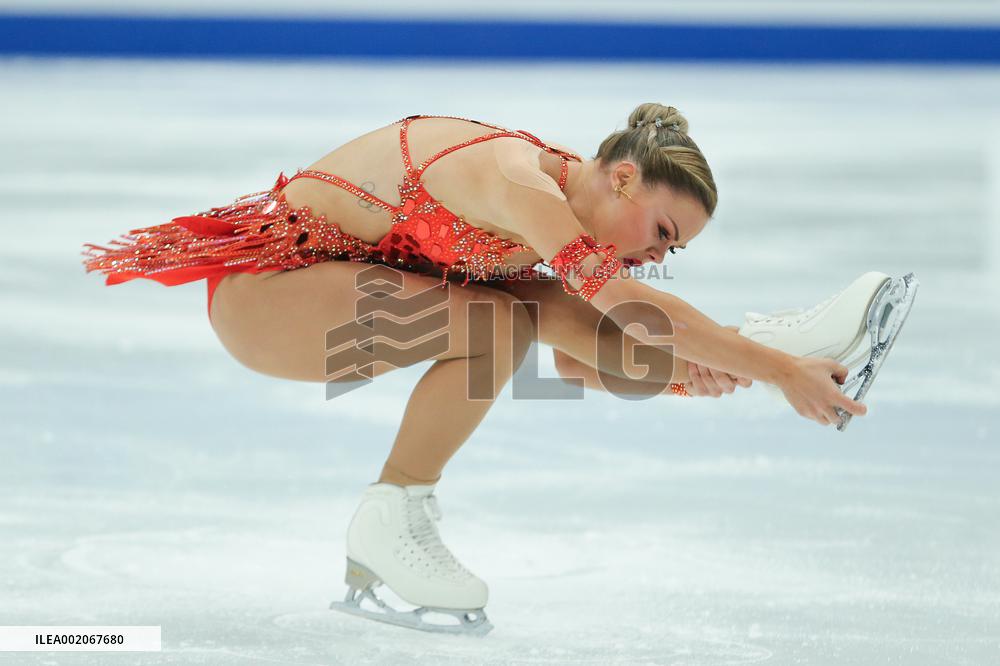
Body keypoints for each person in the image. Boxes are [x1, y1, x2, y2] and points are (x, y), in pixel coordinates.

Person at [82, 104, 882, 635]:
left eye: (675, 247)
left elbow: (576, 356)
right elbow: (624, 309)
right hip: (267, 297)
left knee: (524, 314)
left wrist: (690, 372)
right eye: (665, 231)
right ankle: (391, 513)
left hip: (327, 292)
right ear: (623, 177)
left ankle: (777, 338)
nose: (661, 252)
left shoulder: (568, 207)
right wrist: (776, 371)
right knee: (499, 321)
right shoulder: (517, 184)